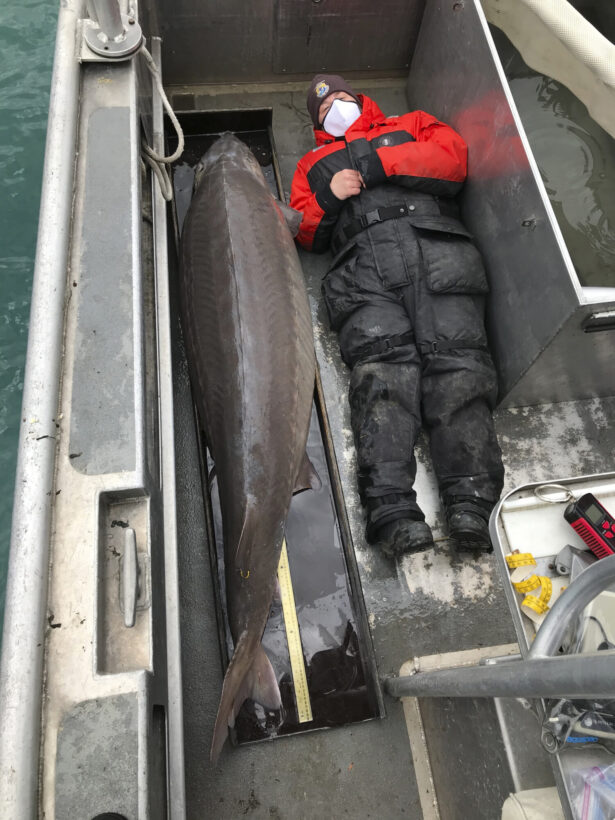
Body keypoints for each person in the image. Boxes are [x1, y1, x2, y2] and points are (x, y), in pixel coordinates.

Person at [290, 74, 505, 558]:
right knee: (382, 376)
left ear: (359, 98)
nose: (334, 108)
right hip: (363, 271)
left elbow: (452, 161)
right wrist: (330, 197)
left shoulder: (411, 125)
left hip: (437, 253)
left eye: (341, 98)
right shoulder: (312, 163)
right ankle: (392, 511)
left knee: (459, 366)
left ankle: (470, 502)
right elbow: (304, 230)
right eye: (323, 111)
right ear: (315, 126)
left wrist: (380, 162)